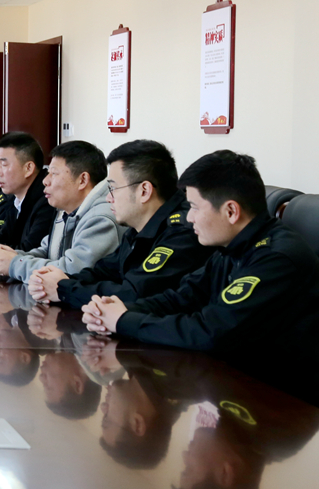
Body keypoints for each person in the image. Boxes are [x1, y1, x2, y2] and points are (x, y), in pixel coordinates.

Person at [82, 150, 319, 374]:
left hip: (278, 391)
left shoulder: (276, 258)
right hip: (230, 374)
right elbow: (182, 297)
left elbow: (211, 331)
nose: (189, 217)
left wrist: (123, 321)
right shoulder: (232, 247)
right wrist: (115, 310)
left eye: (195, 207)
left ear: (231, 211)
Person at [29, 140, 213, 306]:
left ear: (144, 191)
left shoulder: (181, 233)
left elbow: (133, 293)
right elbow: (104, 271)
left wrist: (63, 289)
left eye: (113, 188)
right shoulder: (138, 227)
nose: (108, 198)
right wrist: (61, 279)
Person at [0, 140, 120, 284]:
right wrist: (7, 256)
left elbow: (71, 271)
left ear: (82, 180)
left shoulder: (101, 218)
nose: (45, 181)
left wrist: (14, 264)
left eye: (54, 173)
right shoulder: (65, 211)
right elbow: (47, 252)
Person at [0, 132, 56, 260]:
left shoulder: (47, 200)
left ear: (28, 168)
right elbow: (4, 240)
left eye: (3, 165)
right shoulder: (13, 199)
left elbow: (29, 251)